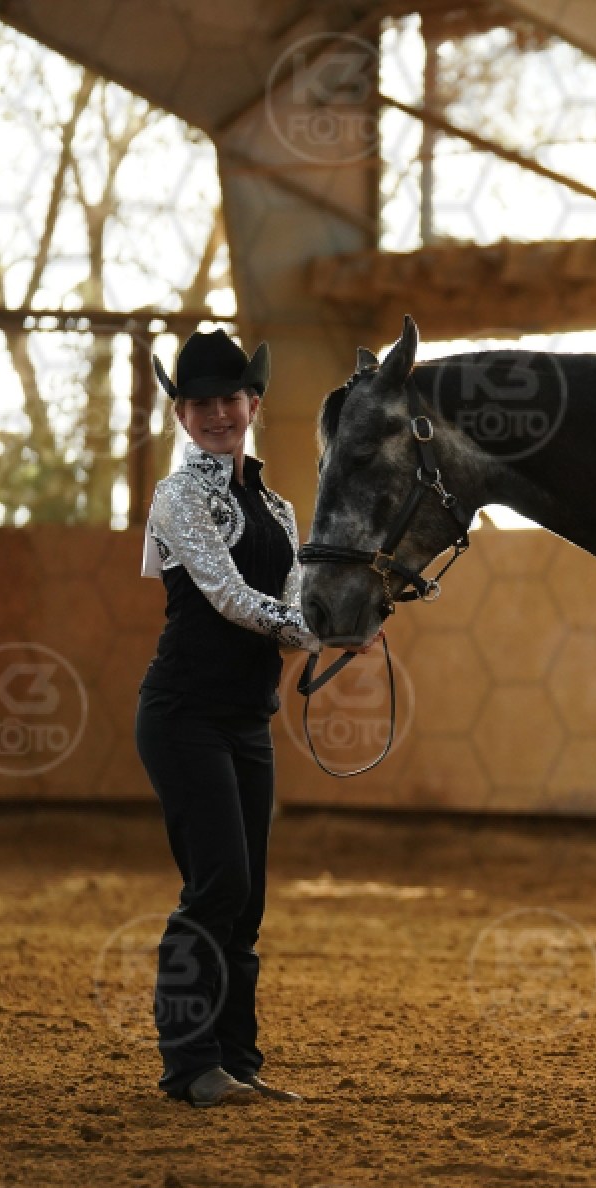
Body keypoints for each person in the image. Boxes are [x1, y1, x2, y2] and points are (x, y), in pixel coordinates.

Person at [135, 328, 372, 1109]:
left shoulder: (277, 506)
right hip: (183, 714)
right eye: (199, 403)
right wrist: (320, 633)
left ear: (253, 404)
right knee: (218, 886)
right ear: (181, 414)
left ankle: (236, 1061)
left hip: (244, 719)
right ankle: (189, 1064)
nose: (216, 414)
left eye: (228, 399)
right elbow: (230, 598)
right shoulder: (178, 496)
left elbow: (297, 603)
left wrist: (348, 618)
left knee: (248, 900)